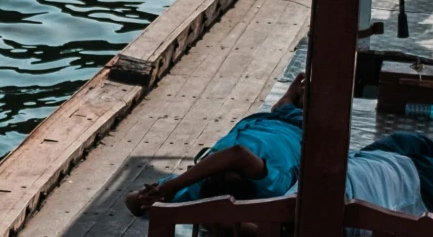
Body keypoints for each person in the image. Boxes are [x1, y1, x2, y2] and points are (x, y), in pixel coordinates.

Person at [125, 74, 306, 216]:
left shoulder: (196, 189)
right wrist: (172, 185)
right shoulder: (270, 186)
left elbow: (130, 201)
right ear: (246, 176)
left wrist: (144, 198)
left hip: (256, 124)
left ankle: (286, 102)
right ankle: (287, 102)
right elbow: (237, 154)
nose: (219, 165)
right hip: (299, 130)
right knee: (312, 95)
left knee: (291, 103)